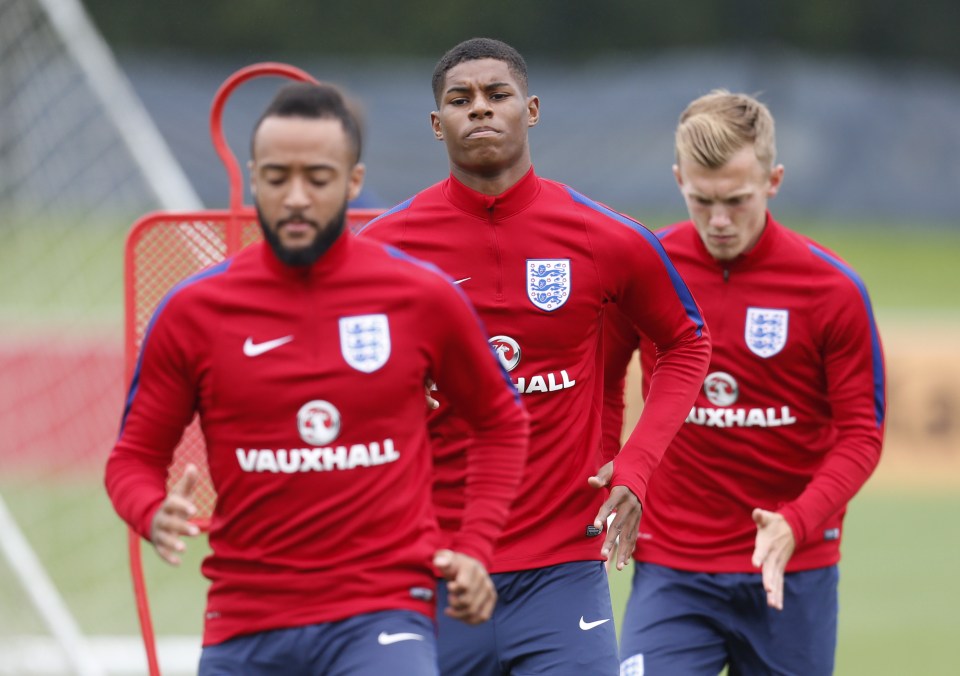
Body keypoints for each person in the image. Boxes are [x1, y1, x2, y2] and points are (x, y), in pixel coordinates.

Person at [104, 81, 530, 676]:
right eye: (278, 178)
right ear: (254, 180)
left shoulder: (420, 295)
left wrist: (476, 547)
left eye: (318, 178)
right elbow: (131, 459)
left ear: (353, 183)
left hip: (382, 613)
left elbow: (501, 422)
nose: (297, 197)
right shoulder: (193, 311)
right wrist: (152, 510)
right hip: (246, 623)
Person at [358, 38, 711, 675]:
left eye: (498, 95)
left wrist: (635, 466)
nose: (481, 111)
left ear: (533, 109)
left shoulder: (605, 236)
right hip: (431, 565)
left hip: (562, 569)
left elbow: (687, 341)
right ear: (438, 125)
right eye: (461, 100)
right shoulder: (385, 248)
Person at [602, 90, 886, 675]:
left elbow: (862, 435)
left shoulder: (832, 289)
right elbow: (599, 384)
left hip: (792, 568)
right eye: (701, 201)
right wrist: (611, 465)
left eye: (736, 200)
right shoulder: (648, 266)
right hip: (672, 567)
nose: (720, 220)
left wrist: (797, 522)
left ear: (774, 180)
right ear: (679, 178)